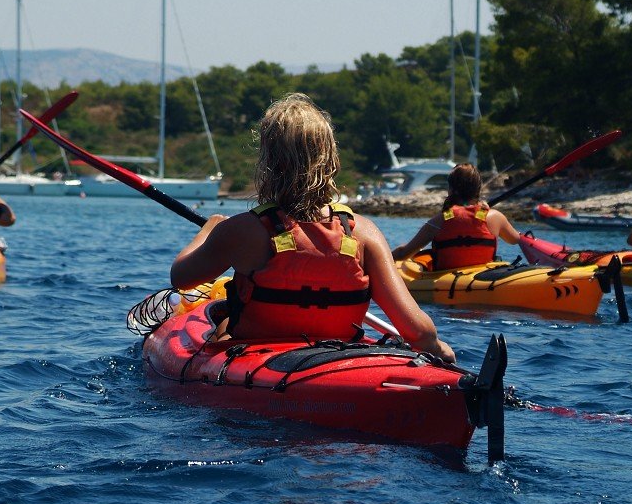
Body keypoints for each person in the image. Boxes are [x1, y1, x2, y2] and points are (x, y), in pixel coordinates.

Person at [170, 93, 455, 363]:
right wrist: (436, 348)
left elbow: (181, 278)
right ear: (331, 161)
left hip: (259, 365)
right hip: (339, 357)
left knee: (221, 320)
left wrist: (208, 230)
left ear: (268, 163)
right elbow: (419, 332)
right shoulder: (363, 233)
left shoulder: (240, 231)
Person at [391, 163, 521, 270]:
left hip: (446, 280)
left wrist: (382, 258)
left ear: (451, 190)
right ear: (478, 189)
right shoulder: (494, 216)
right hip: (484, 277)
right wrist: (484, 210)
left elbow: (403, 254)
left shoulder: (441, 219)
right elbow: (515, 239)